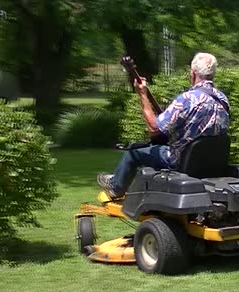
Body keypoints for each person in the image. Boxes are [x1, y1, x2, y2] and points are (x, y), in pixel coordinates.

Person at [97, 52, 230, 198]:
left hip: (180, 160)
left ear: (193, 73)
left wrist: (142, 94)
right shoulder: (222, 99)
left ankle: (116, 187)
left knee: (133, 153)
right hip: (210, 163)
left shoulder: (187, 99)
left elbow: (154, 128)